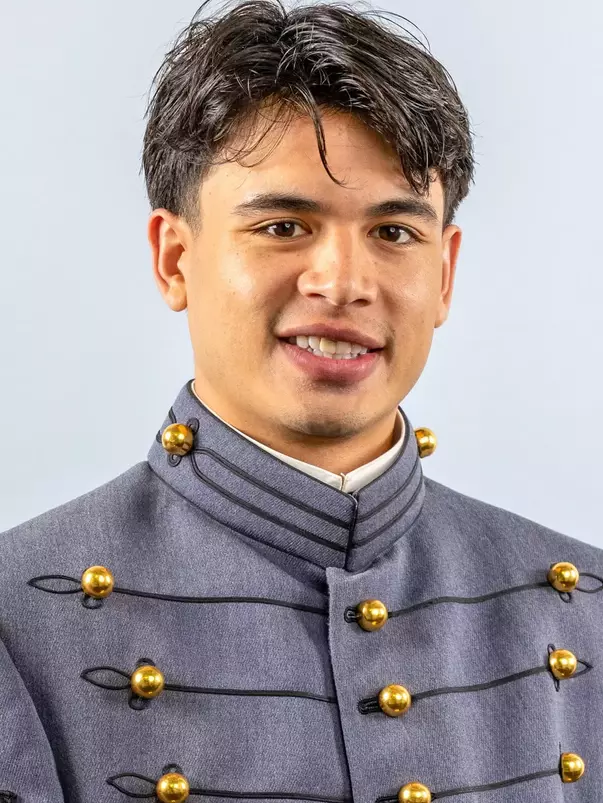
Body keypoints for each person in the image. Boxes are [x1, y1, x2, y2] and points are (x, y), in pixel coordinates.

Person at [1, 0, 602, 801]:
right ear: (174, 258)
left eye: (393, 233)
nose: (343, 284)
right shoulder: (18, 614)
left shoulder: (583, 605)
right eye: (284, 226)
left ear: (445, 273)